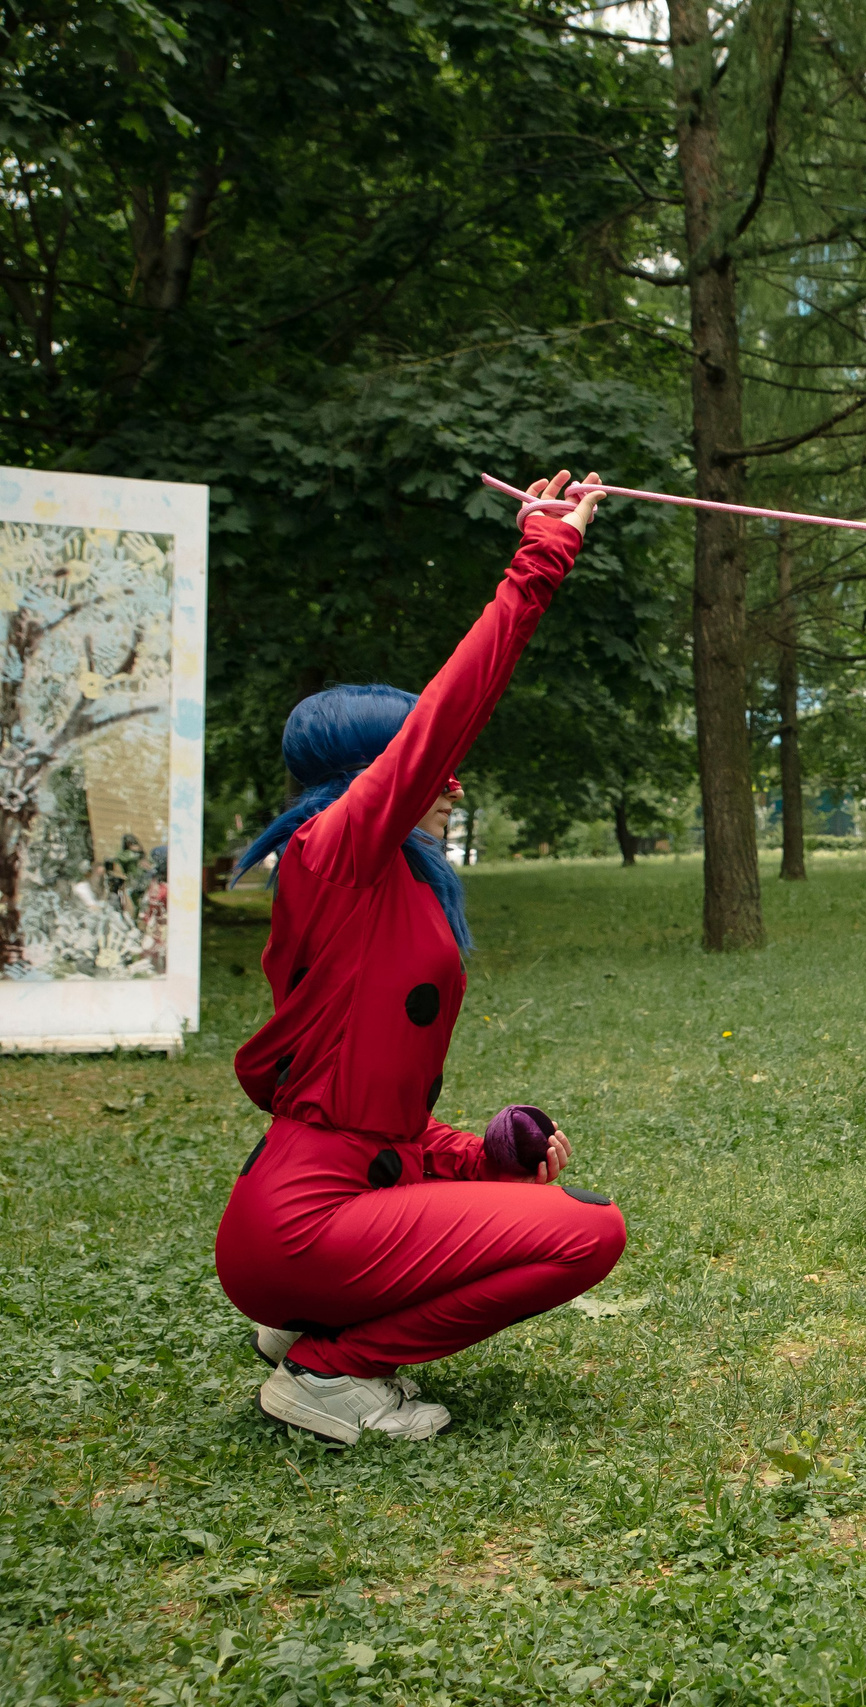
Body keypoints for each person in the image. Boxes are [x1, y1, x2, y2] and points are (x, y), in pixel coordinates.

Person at [215, 471, 627, 1445]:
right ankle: (333, 1370)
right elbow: (452, 710)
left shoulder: (382, 884)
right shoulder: (333, 853)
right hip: (300, 1224)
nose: (452, 782)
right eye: (430, 767)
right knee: (590, 1231)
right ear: (379, 777)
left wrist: (483, 1154)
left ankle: (311, 1327)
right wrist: (541, 558)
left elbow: (370, 1122)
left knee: (531, 1193)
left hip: (314, 1208)